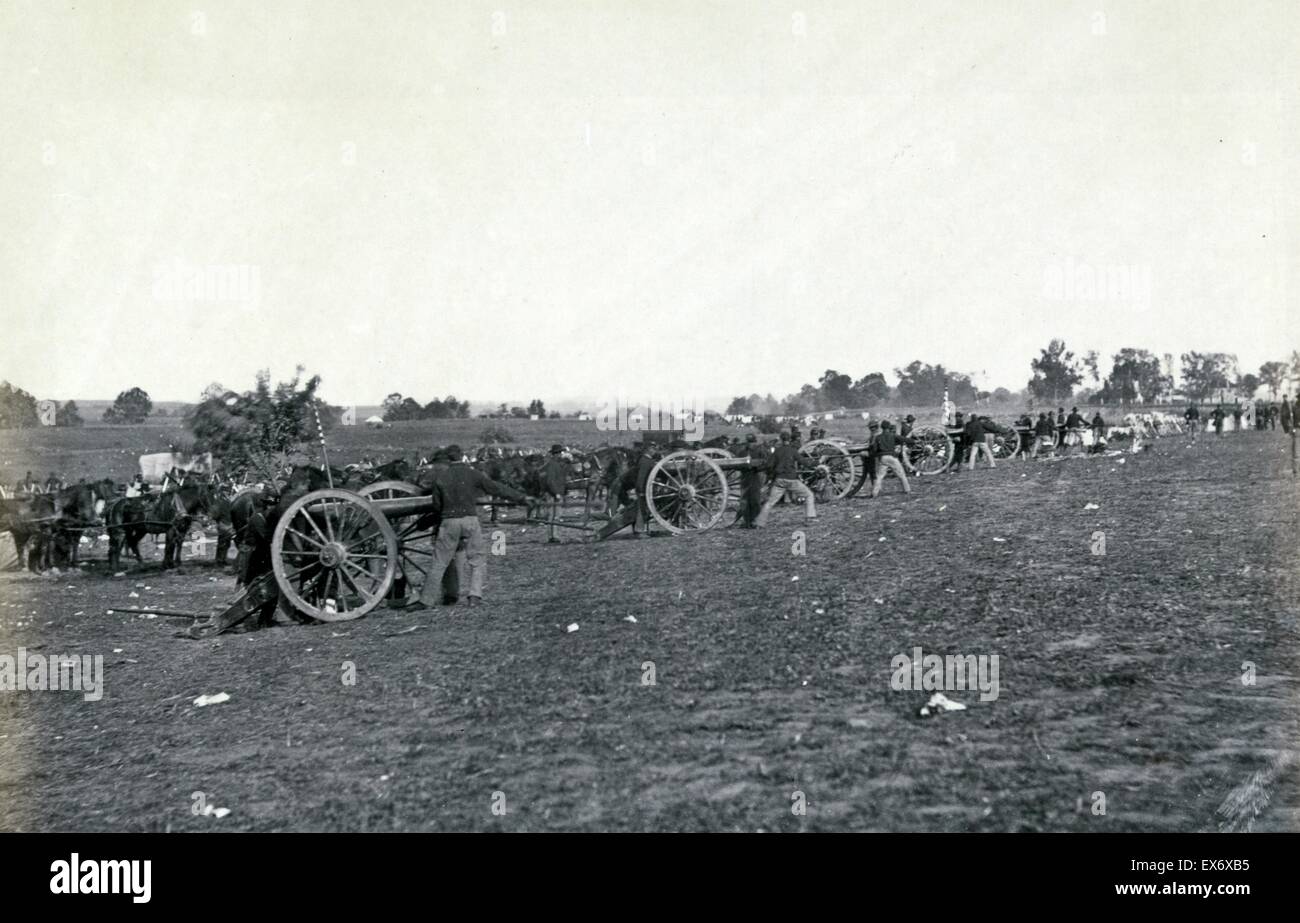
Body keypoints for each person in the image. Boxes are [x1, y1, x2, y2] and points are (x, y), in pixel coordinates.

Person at [414, 445, 528, 609]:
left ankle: (426, 600)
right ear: (462, 456)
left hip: (449, 521)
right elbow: (496, 488)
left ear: (448, 459)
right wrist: (520, 497)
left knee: (439, 562)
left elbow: (437, 506)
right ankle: (474, 596)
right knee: (477, 559)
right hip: (470, 519)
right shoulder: (473, 473)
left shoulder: (442, 478)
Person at [755, 432, 816, 525]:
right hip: (792, 480)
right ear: (790, 440)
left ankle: (759, 523)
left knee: (770, 502)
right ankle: (809, 518)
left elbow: (769, 465)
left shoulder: (777, 451)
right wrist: (817, 462)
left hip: (779, 480)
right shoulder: (793, 450)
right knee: (809, 495)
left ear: (781, 440)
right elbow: (805, 462)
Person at [733, 434, 768, 528]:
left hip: (755, 476)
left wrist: (757, 466)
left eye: (752, 442)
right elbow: (736, 464)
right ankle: (747, 521)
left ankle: (755, 521)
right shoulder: (742, 452)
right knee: (745, 500)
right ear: (747, 443)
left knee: (755, 499)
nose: (751, 444)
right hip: (745, 477)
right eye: (749, 443)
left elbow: (765, 462)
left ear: (755, 442)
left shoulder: (760, 451)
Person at [870, 421, 911, 497]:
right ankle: (907, 490)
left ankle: (874, 493)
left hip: (883, 458)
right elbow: (904, 439)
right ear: (889, 427)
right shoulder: (893, 435)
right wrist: (912, 441)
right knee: (901, 474)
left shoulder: (878, 437)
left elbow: (874, 449)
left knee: (879, 477)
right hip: (892, 457)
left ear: (882, 428)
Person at [539, 444, 569, 543]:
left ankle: (553, 536)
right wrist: (556, 493)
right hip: (553, 494)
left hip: (555, 493)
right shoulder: (552, 465)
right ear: (555, 454)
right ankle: (553, 536)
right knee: (554, 516)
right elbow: (550, 481)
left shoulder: (554, 464)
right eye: (559, 453)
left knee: (554, 516)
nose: (560, 455)